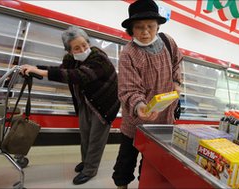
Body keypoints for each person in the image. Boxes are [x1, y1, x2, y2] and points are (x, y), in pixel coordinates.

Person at [20, 26, 120, 185]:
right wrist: (35, 68)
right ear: (69, 51)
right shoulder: (70, 59)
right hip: (86, 101)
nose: (82, 49)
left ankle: (90, 170)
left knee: (96, 138)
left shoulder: (99, 58)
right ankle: (86, 161)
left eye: (84, 45)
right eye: (76, 48)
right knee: (85, 134)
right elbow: (61, 71)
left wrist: (40, 72)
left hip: (104, 103)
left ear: (88, 42)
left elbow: (79, 76)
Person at [112, 0, 183, 188]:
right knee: (125, 161)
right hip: (137, 120)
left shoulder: (168, 42)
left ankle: (146, 184)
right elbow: (129, 88)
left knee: (152, 163)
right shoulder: (129, 53)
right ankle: (122, 185)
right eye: (139, 27)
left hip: (164, 118)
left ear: (157, 26)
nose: (145, 32)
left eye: (150, 26)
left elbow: (178, 63)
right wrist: (139, 105)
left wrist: (177, 83)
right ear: (131, 29)